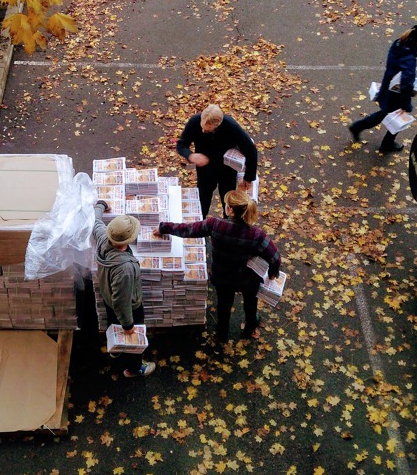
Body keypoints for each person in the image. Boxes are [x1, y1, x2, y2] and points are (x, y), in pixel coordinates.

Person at [156, 190, 280, 341]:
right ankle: (250, 327)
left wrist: (164, 227)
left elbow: (187, 229)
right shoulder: (256, 234)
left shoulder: (215, 225)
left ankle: (222, 334)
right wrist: (273, 272)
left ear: (230, 210)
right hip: (247, 279)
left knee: (223, 306)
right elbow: (274, 256)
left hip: (223, 277)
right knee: (250, 303)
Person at [348, 24, 417, 153]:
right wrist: (405, 105)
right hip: (396, 95)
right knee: (398, 119)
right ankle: (385, 142)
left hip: (388, 86)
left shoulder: (399, 44)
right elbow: (406, 83)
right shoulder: (409, 59)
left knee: (385, 113)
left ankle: (359, 128)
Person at [92, 201, 156, 378]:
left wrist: (101, 205)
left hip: (107, 298)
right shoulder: (125, 269)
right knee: (132, 339)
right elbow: (122, 301)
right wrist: (128, 325)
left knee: (112, 325)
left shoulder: (103, 239)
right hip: (130, 309)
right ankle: (133, 369)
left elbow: (95, 223)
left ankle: (115, 351)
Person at [176, 104, 258, 218]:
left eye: (207, 130)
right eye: (202, 127)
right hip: (205, 171)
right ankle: (201, 228)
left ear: (217, 125)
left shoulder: (231, 126)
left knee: (229, 205)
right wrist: (190, 155)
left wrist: (248, 178)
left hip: (227, 171)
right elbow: (181, 145)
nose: (203, 131)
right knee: (202, 203)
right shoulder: (194, 122)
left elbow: (251, 151)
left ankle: (227, 228)